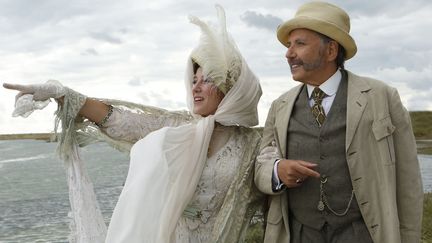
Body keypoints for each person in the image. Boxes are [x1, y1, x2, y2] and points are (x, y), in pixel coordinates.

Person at [4, 5, 264, 243]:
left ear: (229, 89)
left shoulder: (252, 143)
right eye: (193, 79)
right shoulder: (178, 126)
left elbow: (269, 179)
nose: (195, 87)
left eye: (206, 80)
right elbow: (121, 121)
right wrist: (61, 93)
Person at [254, 2, 423, 243]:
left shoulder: (382, 97)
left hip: (363, 235)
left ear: (331, 50)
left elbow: (408, 183)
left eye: (300, 44)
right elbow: (262, 164)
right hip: (299, 234)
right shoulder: (279, 106)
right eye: (289, 45)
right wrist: (276, 170)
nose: (289, 53)